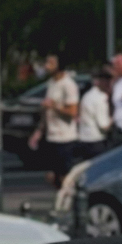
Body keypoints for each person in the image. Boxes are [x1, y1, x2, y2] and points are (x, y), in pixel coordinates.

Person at [38, 55, 80, 185]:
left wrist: (55, 106)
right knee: (51, 175)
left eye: (51, 63)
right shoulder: (51, 82)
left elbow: (73, 111)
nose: (47, 66)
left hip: (65, 138)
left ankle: (66, 203)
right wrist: (40, 130)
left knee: (64, 176)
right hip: (51, 135)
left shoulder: (68, 84)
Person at [77, 66, 113, 161]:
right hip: (96, 142)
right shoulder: (101, 98)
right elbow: (104, 125)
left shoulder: (87, 95)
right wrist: (114, 118)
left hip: (83, 140)